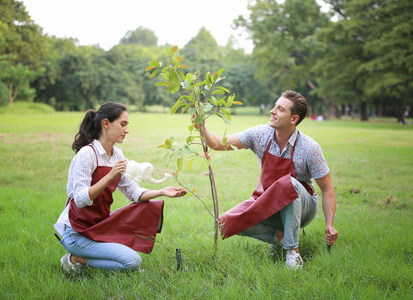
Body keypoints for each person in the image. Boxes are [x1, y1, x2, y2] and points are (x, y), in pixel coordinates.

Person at [192, 90, 338, 269]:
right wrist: (202, 127)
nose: (272, 111)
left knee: (289, 183)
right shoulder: (260, 134)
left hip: (303, 208)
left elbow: (327, 189)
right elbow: (218, 144)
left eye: (280, 109)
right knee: (223, 224)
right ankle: (278, 236)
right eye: (274, 106)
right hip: (269, 201)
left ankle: (293, 253)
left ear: (293, 119)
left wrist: (329, 225)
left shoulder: (310, 148)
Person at [54, 102, 187, 275]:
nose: (127, 130)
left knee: (144, 210)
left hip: (98, 227)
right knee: (132, 262)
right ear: (106, 124)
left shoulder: (117, 155)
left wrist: (162, 191)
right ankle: (76, 259)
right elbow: (79, 199)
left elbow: (133, 192)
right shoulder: (86, 155)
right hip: (76, 232)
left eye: (127, 126)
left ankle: (83, 258)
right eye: (123, 124)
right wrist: (110, 176)